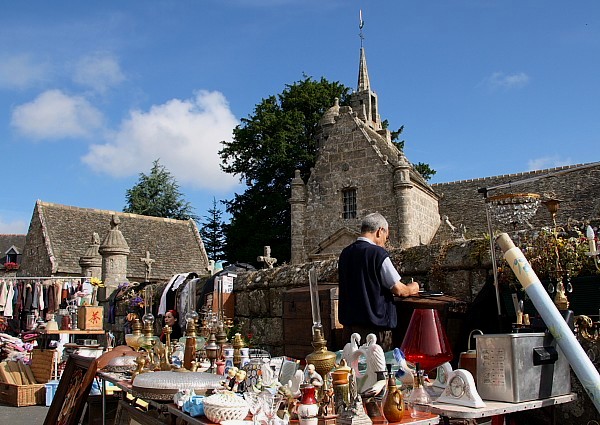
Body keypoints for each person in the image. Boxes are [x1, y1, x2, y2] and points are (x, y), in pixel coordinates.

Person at [338, 212, 420, 351]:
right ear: (379, 231)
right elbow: (399, 289)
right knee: (377, 370)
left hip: (349, 330)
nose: (385, 242)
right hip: (374, 331)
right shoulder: (377, 253)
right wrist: (413, 287)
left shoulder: (345, 253)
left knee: (354, 369)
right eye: (385, 237)